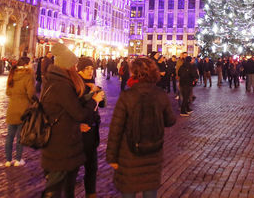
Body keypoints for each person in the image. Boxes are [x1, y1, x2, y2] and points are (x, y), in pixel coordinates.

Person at [107, 58, 176, 198]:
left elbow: (116, 129)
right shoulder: (160, 94)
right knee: (150, 190)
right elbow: (170, 121)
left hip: (129, 153)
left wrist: (112, 157)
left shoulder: (127, 96)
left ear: (134, 73)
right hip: (153, 152)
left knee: (128, 190)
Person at [40, 43, 103, 198]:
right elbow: (79, 113)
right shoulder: (61, 85)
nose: (76, 69)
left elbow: (68, 108)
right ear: (67, 67)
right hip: (61, 143)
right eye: (74, 66)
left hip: (60, 140)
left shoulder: (54, 81)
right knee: (58, 186)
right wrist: (93, 100)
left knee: (62, 183)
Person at [78, 57, 105, 198]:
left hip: (93, 129)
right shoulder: (77, 85)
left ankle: (91, 193)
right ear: (80, 70)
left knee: (92, 166)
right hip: (81, 131)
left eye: (91, 69)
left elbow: (100, 105)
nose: (89, 72)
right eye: (86, 69)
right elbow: (77, 108)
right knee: (76, 165)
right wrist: (92, 97)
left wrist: (100, 95)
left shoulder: (92, 83)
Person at [4, 56, 35, 167]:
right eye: (31, 62)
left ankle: (8, 160)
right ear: (26, 64)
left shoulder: (12, 74)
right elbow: (30, 93)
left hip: (12, 108)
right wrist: (34, 102)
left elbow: (8, 92)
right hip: (23, 109)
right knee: (20, 136)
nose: (32, 64)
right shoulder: (28, 75)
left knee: (10, 136)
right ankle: (18, 159)